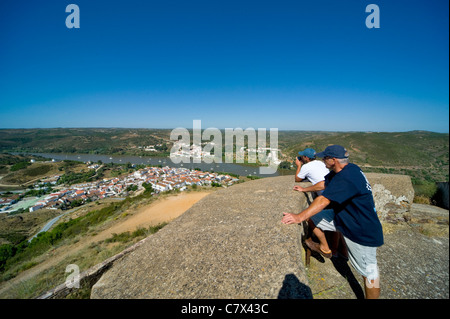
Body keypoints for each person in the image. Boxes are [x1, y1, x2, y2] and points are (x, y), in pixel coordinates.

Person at [282, 145, 384, 299]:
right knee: (314, 217)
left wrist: (298, 217)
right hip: (343, 218)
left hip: (361, 230)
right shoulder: (347, 170)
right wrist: (305, 189)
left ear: (333, 160)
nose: (323, 160)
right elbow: (324, 184)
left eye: (325, 158)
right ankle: (325, 247)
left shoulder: (347, 177)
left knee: (370, 274)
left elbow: (323, 200)